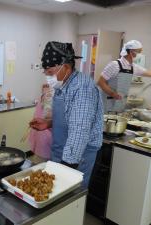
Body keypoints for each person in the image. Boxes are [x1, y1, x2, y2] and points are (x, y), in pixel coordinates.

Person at [30, 41, 103, 188]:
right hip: (61, 149)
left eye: (50, 72)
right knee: (56, 194)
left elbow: (80, 130)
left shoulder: (82, 88)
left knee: (70, 198)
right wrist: (49, 123)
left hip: (77, 155)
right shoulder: (63, 82)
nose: (47, 77)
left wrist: (66, 166)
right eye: (45, 72)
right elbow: (69, 116)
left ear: (67, 67)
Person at [98, 40, 151, 112]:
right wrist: (113, 94)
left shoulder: (133, 67)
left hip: (120, 101)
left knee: (116, 121)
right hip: (107, 101)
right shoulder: (114, 65)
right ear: (131, 52)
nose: (140, 54)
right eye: (139, 51)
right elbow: (101, 82)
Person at [28, 84, 53, 160]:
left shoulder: (50, 98)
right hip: (40, 133)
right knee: (40, 158)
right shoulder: (43, 98)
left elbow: (48, 116)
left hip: (45, 136)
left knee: (43, 161)